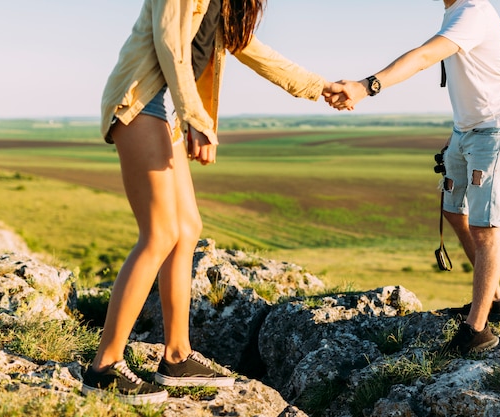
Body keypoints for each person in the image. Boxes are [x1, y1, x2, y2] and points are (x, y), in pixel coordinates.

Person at [82, 0, 336, 405]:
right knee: (160, 233)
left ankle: (177, 356)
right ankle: (104, 367)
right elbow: (171, 45)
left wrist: (318, 86)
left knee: (187, 231)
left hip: (166, 114)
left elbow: (253, 49)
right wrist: (197, 118)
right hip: (139, 102)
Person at [326, 0, 500, 355]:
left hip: (495, 131)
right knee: (453, 212)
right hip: (466, 133)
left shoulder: (473, 10)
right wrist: (457, 136)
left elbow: (421, 57)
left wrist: (365, 86)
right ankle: (495, 302)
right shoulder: (454, 13)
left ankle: (477, 330)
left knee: (485, 229)